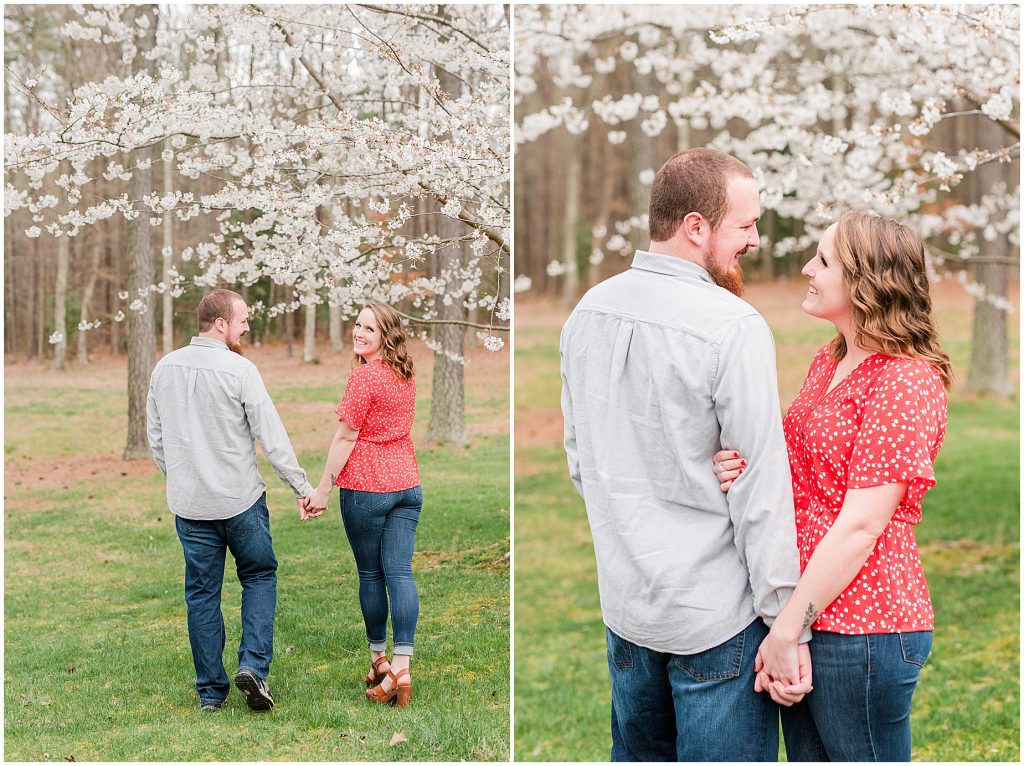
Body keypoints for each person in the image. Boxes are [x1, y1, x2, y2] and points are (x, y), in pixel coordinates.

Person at [559, 147, 811, 762]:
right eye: (746, 225)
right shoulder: (733, 325)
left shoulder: (586, 311)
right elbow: (760, 489)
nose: (754, 239)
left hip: (626, 608)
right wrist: (787, 622)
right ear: (695, 226)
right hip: (716, 618)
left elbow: (579, 461)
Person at [713, 211, 952, 761]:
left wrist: (786, 629)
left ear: (868, 279)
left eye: (822, 261)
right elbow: (802, 470)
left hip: (865, 628)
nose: (805, 269)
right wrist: (736, 466)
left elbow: (862, 523)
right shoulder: (831, 361)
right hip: (812, 614)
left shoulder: (906, 379)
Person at [147, 289, 324, 712]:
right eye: (242, 319)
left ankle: (211, 693)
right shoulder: (241, 370)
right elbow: (273, 438)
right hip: (241, 503)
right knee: (260, 577)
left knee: (202, 595)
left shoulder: (163, 368)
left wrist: (183, 478)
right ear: (221, 323)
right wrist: (303, 488)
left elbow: (156, 440)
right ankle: (254, 668)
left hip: (190, 506)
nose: (247, 326)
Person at [304, 301, 422, 708]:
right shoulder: (404, 374)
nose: (359, 332)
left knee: (373, 574)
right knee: (401, 573)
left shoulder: (365, 377)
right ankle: (402, 667)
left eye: (369, 329)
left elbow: (345, 438)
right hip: (407, 483)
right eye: (357, 325)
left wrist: (322, 489)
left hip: (369, 487)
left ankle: (380, 661)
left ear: (385, 335)